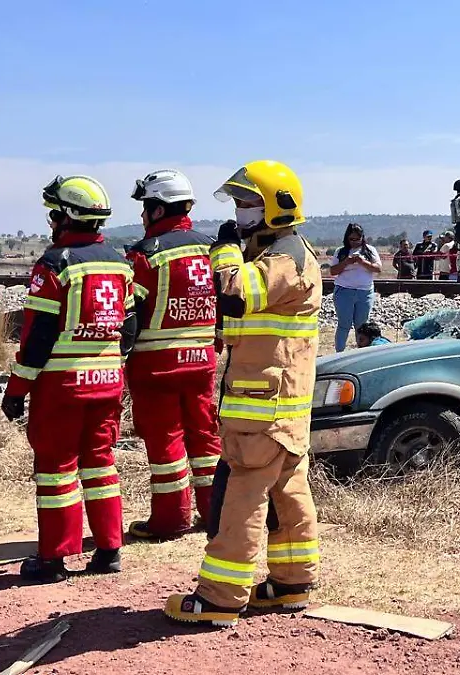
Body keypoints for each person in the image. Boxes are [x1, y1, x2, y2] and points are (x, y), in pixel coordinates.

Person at [165, 160, 322, 628]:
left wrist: (225, 252)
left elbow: (235, 293)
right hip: (281, 407)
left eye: (248, 203)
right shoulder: (282, 253)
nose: (239, 211)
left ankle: (219, 597)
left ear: (278, 206)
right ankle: (291, 584)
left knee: (241, 496)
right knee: (288, 490)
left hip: (262, 408)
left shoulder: (285, 258)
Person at [2, 175, 134, 583]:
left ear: (66, 217)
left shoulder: (54, 264)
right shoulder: (120, 263)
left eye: (53, 214)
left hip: (62, 387)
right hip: (108, 382)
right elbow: (129, 329)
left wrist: (17, 388)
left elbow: (38, 338)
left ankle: (54, 558)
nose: (51, 223)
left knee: (56, 469)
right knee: (100, 464)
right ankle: (109, 549)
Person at [125, 169, 221, 541]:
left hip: (156, 364)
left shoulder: (144, 255)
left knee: (165, 440)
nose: (143, 215)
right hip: (202, 361)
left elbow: (129, 315)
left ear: (158, 209)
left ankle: (171, 519)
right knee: (204, 437)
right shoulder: (212, 248)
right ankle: (214, 511)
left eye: (146, 207)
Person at [328, 223, 382, 353]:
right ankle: (339, 353)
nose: (355, 242)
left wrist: (362, 262)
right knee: (344, 324)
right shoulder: (340, 251)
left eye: (358, 239)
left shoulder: (370, 250)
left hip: (365, 292)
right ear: (347, 238)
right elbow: (333, 271)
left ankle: (361, 353)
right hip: (344, 291)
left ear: (362, 238)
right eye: (351, 239)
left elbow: (378, 269)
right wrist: (346, 262)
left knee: (362, 326)